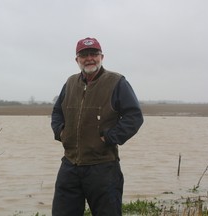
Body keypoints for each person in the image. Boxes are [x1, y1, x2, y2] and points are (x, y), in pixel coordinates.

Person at [51, 37, 144, 216]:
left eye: (93, 54)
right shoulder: (70, 83)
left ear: (102, 56)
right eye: (84, 55)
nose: (89, 58)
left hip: (103, 168)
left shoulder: (117, 82)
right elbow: (57, 113)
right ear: (76, 59)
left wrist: (110, 137)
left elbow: (134, 116)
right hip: (70, 165)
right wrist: (61, 132)